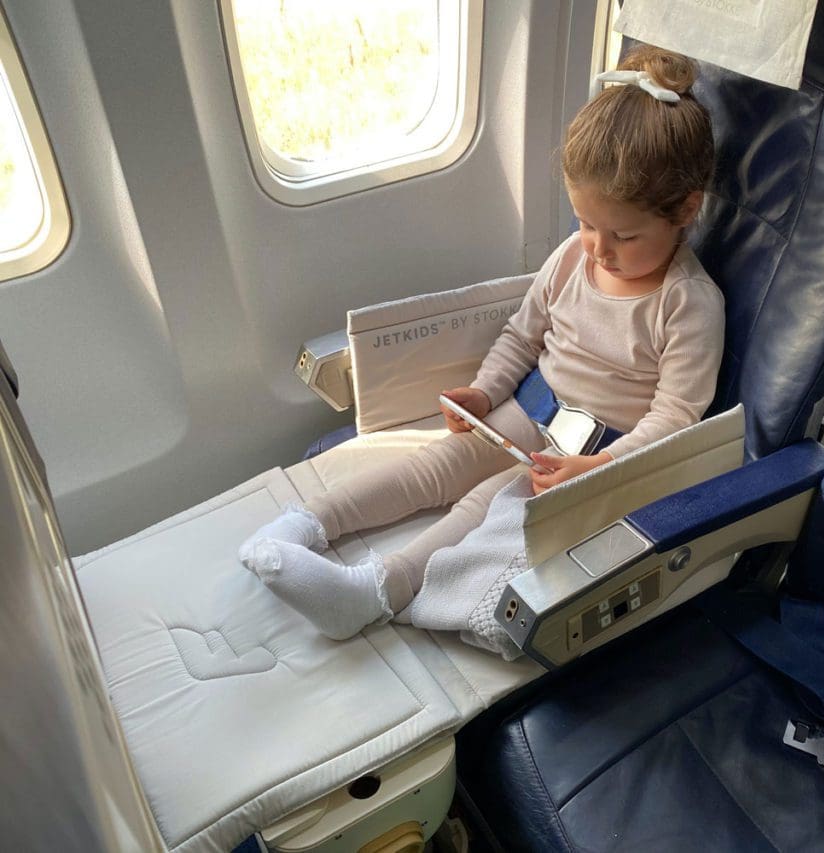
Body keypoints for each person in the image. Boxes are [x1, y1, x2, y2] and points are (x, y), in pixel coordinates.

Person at [238, 46, 726, 641]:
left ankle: (372, 591)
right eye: (585, 223)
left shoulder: (688, 303)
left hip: (592, 450)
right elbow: (523, 335)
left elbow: (676, 415)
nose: (598, 247)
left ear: (685, 210)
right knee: (433, 469)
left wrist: (599, 468)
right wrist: (483, 390)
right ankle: (303, 525)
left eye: (622, 234)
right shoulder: (573, 259)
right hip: (528, 410)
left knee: (484, 506)